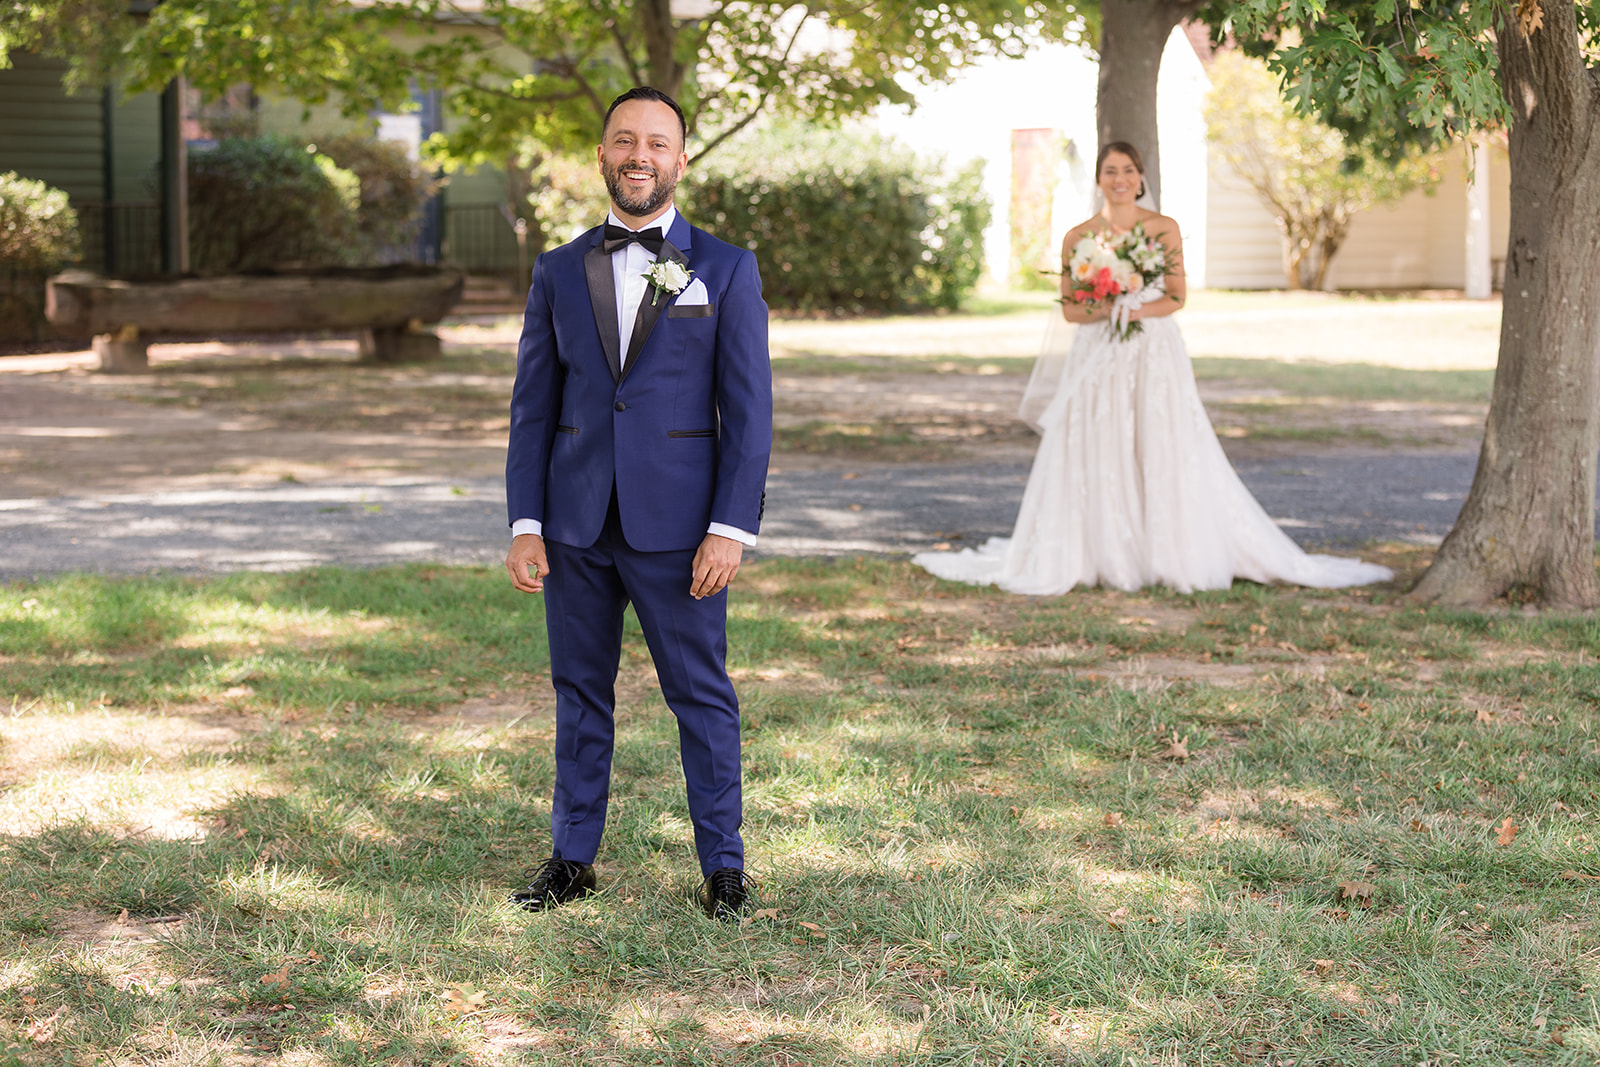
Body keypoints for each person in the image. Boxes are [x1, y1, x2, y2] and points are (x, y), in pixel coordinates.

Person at [503, 87, 773, 921]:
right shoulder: (557, 268)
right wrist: (525, 521)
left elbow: (750, 410)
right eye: (625, 140)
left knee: (701, 693)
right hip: (576, 523)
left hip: (683, 530)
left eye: (657, 143)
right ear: (602, 155)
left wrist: (729, 527)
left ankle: (723, 866)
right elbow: (532, 406)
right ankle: (572, 856)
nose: (639, 155)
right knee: (579, 691)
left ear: (681, 160)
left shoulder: (725, 268)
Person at [914, 142, 1391, 594]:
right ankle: (1097, 553)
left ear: (1141, 177)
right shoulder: (1077, 238)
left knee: (1159, 440)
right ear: (1099, 180)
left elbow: (1178, 297)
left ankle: (1167, 551)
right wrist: (1109, 303)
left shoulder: (1163, 228)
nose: (1119, 179)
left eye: (1128, 170)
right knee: (1099, 441)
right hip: (1097, 353)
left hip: (1153, 351)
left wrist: (1136, 307)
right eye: (1110, 171)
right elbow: (1070, 311)